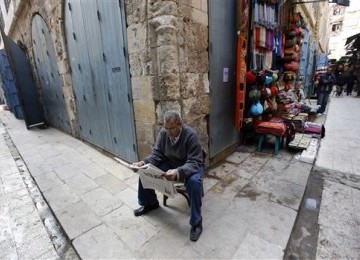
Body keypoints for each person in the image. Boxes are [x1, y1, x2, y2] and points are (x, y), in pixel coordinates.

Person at [132, 110, 204, 241]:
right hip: (171, 162)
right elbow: (157, 154)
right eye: (166, 128)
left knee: (194, 182)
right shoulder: (164, 133)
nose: (169, 132)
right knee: (145, 170)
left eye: (172, 128)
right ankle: (150, 203)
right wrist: (142, 163)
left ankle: (196, 223)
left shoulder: (191, 135)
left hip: (191, 165)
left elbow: (195, 161)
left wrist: (178, 172)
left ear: (180, 124)